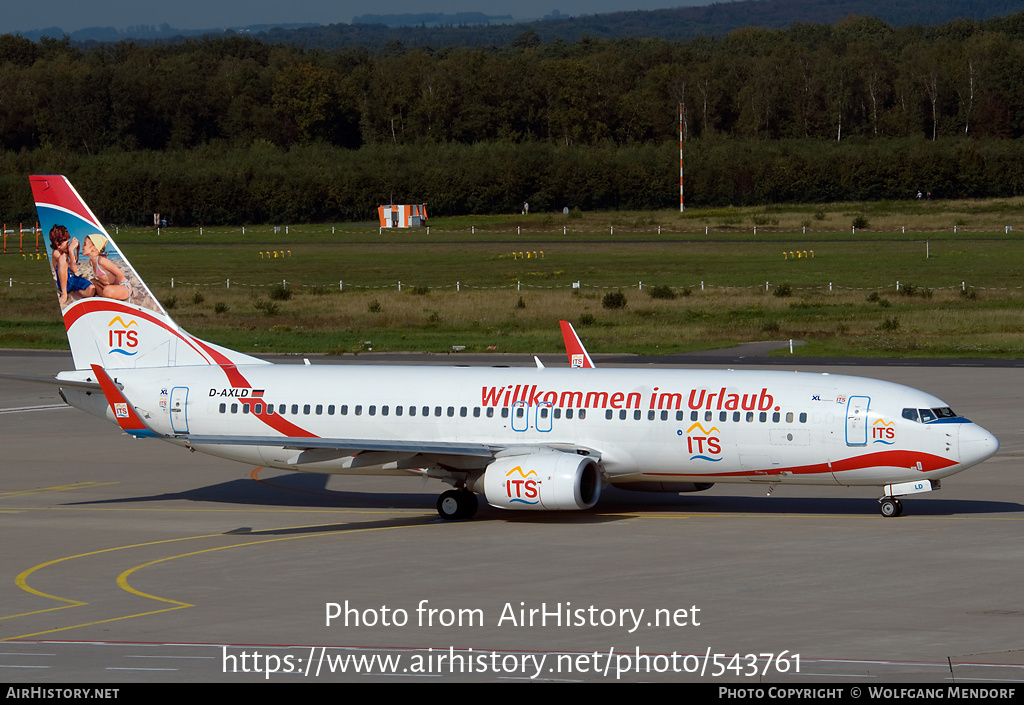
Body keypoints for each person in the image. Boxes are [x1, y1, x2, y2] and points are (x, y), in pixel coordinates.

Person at [49, 224, 95, 306]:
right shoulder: (56, 253)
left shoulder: (66, 252)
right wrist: (70, 251)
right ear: (57, 244)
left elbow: (75, 266)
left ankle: (75, 292)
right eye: (66, 243)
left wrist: (75, 250)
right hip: (64, 283)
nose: (68, 245)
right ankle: (64, 294)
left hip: (73, 279)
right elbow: (74, 269)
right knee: (62, 258)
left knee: (91, 289)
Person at [82, 232, 131, 301]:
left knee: (107, 290)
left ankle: (107, 295)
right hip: (108, 287)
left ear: (94, 248)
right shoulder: (91, 262)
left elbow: (120, 274)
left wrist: (113, 286)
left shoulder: (102, 260)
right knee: (92, 281)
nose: (82, 246)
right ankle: (106, 297)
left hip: (122, 286)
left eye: (85, 244)